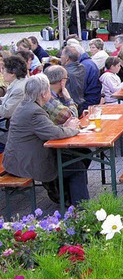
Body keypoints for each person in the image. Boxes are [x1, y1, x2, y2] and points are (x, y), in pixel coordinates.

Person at [3, 74, 89, 206]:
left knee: (83, 153)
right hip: (24, 163)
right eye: (48, 90)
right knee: (77, 167)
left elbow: (48, 130)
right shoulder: (34, 111)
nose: (50, 92)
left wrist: (63, 127)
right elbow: (54, 133)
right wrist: (74, 129)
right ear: (43, 94)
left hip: (19, 157)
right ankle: (82, 209)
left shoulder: (28, 105)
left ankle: (65, 195)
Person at [0, 55, 29, 151]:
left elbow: (6, 111)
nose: (2, 72)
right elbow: (6, 99)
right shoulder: (17, 83)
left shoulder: (19, 89)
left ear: (12, 73)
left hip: (16, 132)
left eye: (4, 69)